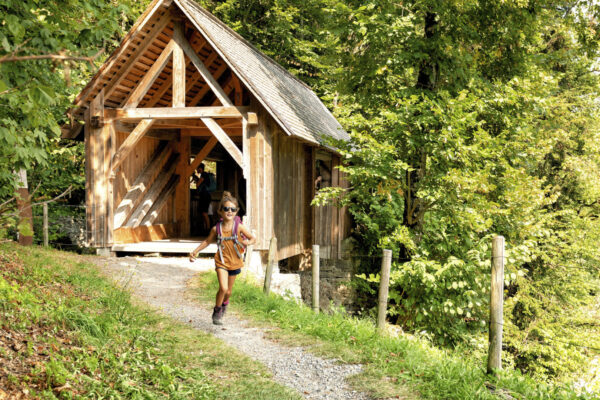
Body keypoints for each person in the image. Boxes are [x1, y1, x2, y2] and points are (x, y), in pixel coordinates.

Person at [189, 191, 256, 325]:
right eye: (226, 209)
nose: (229, 211)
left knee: (229, 292)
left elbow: (253, 238)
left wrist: (247, 243)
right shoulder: (216, 229)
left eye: (232, 209)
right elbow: (207, 241)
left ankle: (225, 304)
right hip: (221, 261)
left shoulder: (239, 227)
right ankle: (217, 310)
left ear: (236, 212)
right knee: (223, 288)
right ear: (220, 211)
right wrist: (195, 251)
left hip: (235, 262)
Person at [195, 163, 215, 235]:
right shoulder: (204, 174)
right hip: (206, 196)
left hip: (205, 196)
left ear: (200, 168)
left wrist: (196, 180)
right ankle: (207, 229)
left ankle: (208, 230)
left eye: (197, 168)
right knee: (204, 213)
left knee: (204, 213)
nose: (197, 170)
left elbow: (198, 184)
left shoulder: (204, 174)